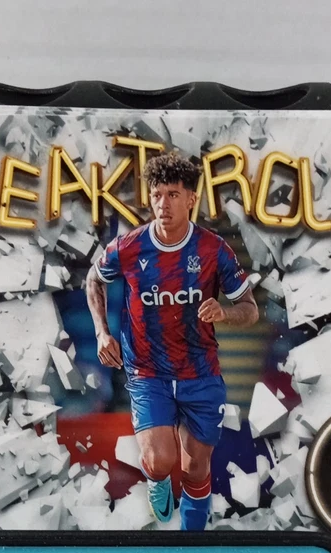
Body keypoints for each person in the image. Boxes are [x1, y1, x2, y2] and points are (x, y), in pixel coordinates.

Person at [86, 151, 259, 531]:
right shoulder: (129, 247)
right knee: (159, 460)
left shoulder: (213, 249)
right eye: (157, 195)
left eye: (173, 195)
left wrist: (224, 312)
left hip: (200, 372)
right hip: (148, 372)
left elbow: (250, 310)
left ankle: (191, 539)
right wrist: (101, 332)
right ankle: (157, 478)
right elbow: (94, 279)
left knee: (196, 467)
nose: (163, 204)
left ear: (191, 199)